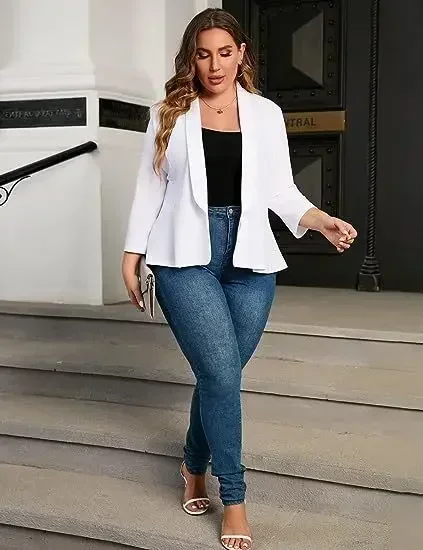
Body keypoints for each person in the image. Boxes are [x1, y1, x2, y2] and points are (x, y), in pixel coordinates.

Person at [122, 8, 357, 550]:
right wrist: (132, 254)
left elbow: (280, 190)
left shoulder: (265, 113)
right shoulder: (169, 113)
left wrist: (318, 219)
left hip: (250, 260)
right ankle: (235, 499)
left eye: (225, 53)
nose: (214, 65)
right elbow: (150, 188)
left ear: (242, 54)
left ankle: (192, 463)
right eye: (203, 54)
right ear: (190, 58)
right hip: (184, 257)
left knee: (219, 376)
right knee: (223, 375)